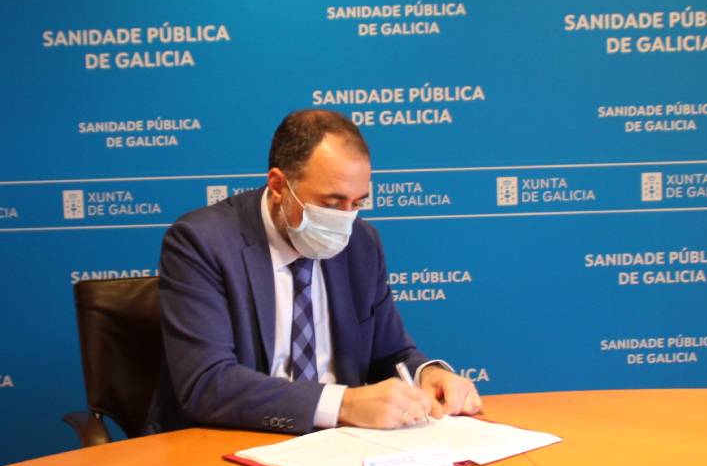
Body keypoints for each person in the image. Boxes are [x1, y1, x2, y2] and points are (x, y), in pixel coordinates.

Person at [145, 109, 482, 435]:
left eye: (358, 203)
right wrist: (343, 404)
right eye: (331, 203)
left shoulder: (362, 244)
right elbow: (207, 383)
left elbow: (391, 352)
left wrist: (427, 373)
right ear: (278, 185)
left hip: (339, 446)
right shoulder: (202, 242)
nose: (345, 219)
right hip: (230, 441)